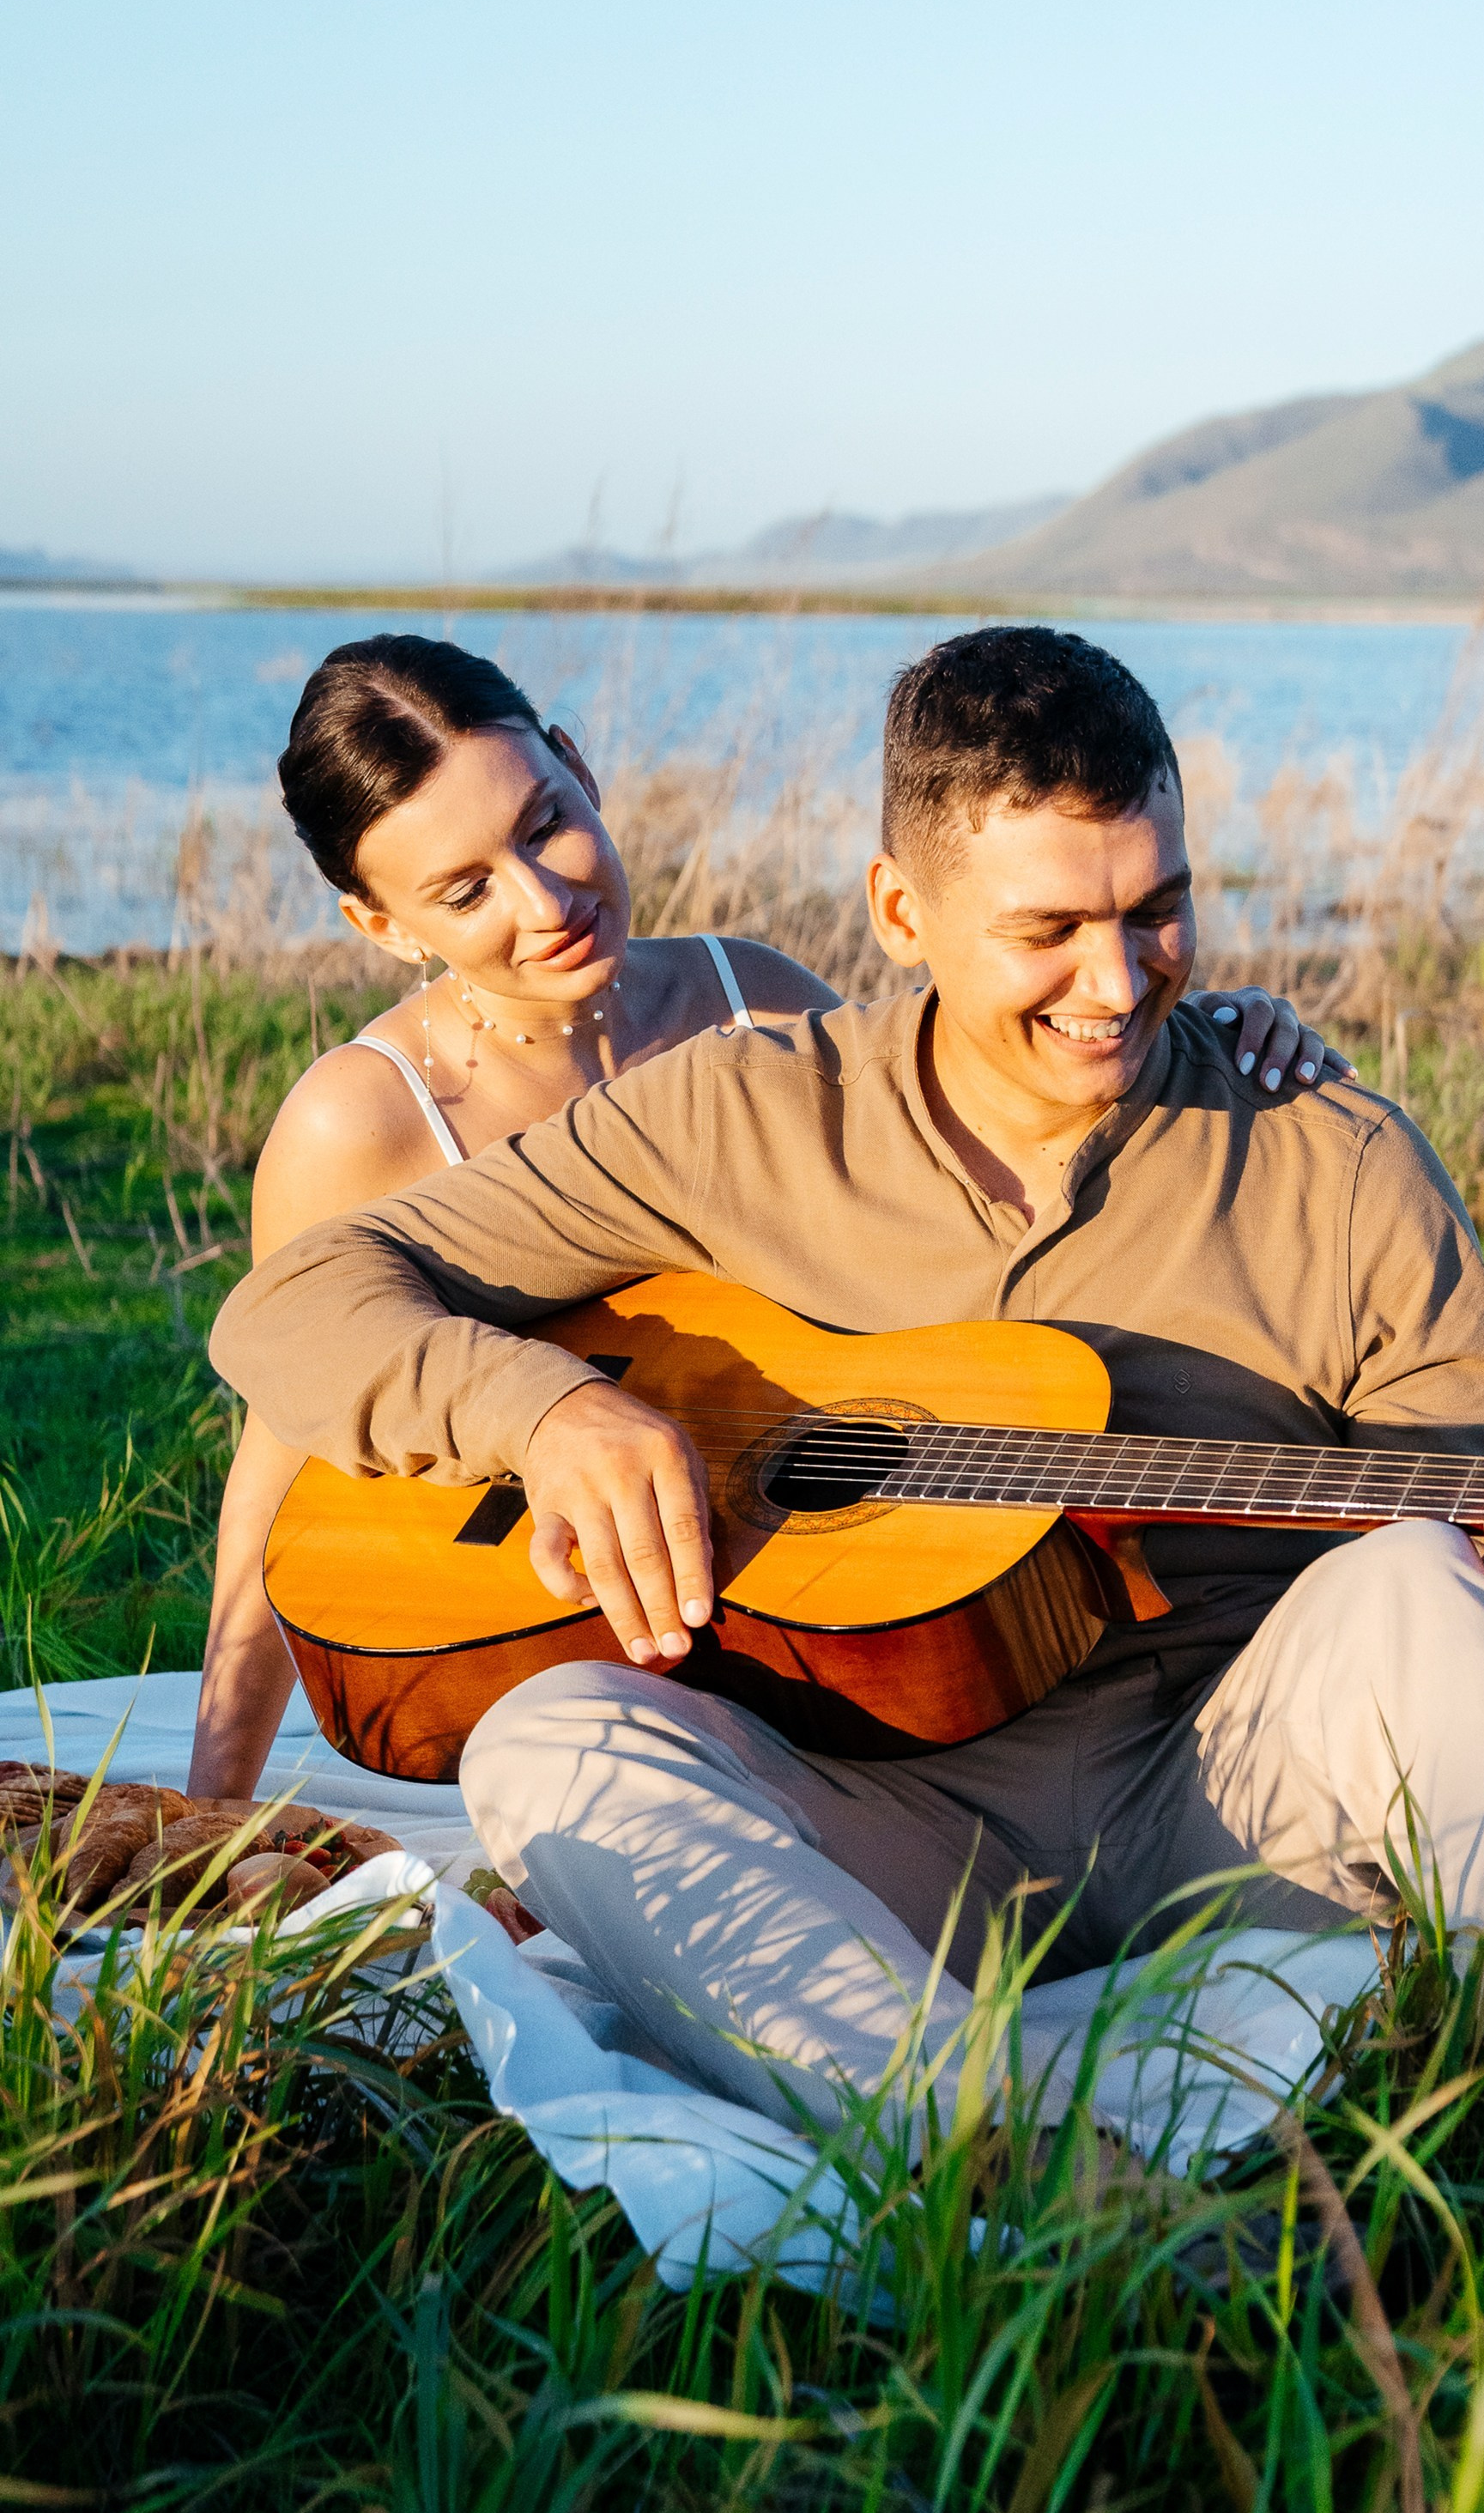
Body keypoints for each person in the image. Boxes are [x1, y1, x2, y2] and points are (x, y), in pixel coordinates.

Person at [210, 628, 1484, 2214]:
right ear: (903, 911)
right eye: (1051, 930)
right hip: (884, 1832)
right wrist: (542, 1411)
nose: (1119, 984)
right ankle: (1030, 2177)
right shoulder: (735, 1116)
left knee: (1417, 1583)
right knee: (550, 1741)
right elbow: (289, 1306)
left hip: (1235, 1806)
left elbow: (1478, 1605)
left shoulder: (1336, 1152)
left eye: (1157, 909)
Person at [191, 631, 1338, 1800]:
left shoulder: (758, 1003)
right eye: (464, 890)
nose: (546, 899)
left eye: (543, 825)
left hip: (783, 1633)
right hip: (521, 1644)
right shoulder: (360, 1120)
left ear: (580, 766)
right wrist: (209, 1809)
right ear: (381, 927)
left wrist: (1182, 1037)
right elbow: (281, 1451)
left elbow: (960, 1144)